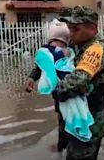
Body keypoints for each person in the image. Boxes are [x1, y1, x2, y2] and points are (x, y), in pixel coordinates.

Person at [57, 6, 104, 160]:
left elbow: (76, 82)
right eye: (69, 28)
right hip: (76, 120)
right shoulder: (79, 47)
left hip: (89, 124)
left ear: (92, 29)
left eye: (75, 29)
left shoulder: (96, 50)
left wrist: (56, 87)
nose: (70, 33)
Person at [25, 19, 72, 152]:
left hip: (70, 93)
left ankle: (62, 150)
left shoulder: (71, 51)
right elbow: (41, 68)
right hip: (63, 95)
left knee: (66, 124)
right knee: (66, 124)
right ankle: (63, 149)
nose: (54, 46)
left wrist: (32, 78)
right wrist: (32, 78)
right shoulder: (52, 52)